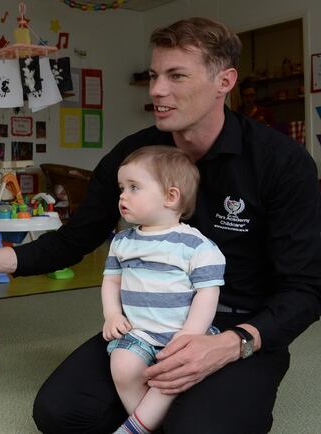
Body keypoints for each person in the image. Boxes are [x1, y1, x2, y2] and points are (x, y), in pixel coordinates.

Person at [0, 17, 321, 433]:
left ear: (224, 81)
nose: (157, 90)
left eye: (176, 76)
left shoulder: (281, 162)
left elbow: (306, 288)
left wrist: (233, 343)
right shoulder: (134, 154)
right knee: (59, 413)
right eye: (155, 75)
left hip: (235, 327)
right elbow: (76, 237)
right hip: (147, 321)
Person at [103, 146, 225, 434]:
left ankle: (134, 428)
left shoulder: (196, 246)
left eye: (134, 187)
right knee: (122, 366)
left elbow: (208, 293)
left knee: (170, 376)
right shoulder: (122, 242)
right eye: (122, 187)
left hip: (181, 335)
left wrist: (191, 333)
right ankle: (146, 422)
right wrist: (111, 314)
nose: (123, 195)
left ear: (171, 197)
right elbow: (111, 280)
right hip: (140, 333)